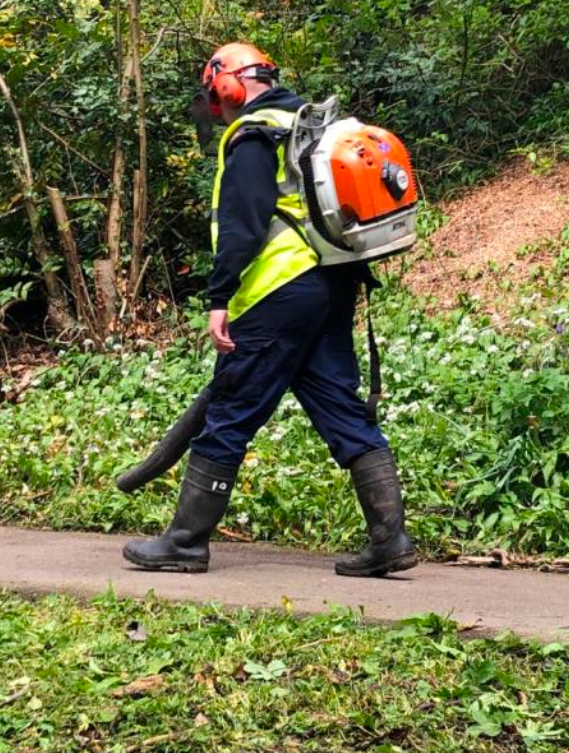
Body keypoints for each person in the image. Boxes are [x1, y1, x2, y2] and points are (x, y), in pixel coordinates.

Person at [122, 43, 417, 577]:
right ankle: (390, 538)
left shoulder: (255, 135)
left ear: (229, 84)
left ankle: (185, 542)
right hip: (329, 286)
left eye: (217, 96)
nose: (218, 109)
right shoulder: (305, 122)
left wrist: (219, 298)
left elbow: (245, 223)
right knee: (340, 406)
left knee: (230, 410)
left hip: (276, 290)